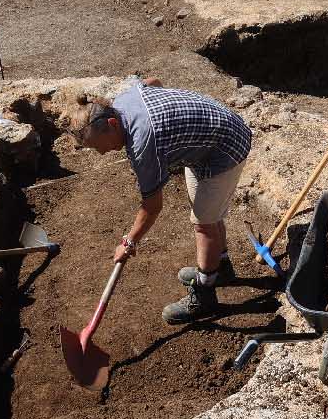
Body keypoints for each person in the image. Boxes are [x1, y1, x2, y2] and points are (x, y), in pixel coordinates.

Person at [76, 81, 253, 324]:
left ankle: (204, 296)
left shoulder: (143, 144)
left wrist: (128, 242)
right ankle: (220, 269)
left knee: (204, 224)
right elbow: (153, 83)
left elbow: (152, 207)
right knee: (207, 214)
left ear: (112, 124)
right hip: (206, 139)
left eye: (99, 146)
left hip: (225, 147)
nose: (102, 153)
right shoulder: (123, 100)